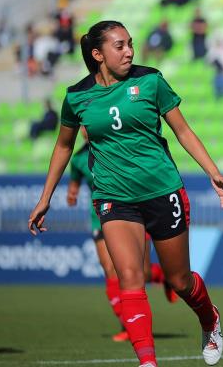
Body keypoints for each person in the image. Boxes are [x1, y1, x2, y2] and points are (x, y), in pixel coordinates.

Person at [28, 20, 223, 367]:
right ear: (98, 54)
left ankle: (209, 319)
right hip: (114, 197)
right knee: (129, 278)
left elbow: (183, 131)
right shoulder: (77, 96)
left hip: (162, 191)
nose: (129, 51)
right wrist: (46, 196)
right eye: (119, 46)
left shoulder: (150, 80)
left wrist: (213, 172)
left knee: (179, 280)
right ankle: (147, 362)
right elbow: (64, 146)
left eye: (130, 44)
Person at [67, 127, 179, 342]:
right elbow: (74, 185)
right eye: (81, 126)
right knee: (111, 270)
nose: (85, 130)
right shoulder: (79, 159)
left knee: (141, 274)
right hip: (100, 217)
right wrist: (72, 194)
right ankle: (128, 325)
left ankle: (161, 276)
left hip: (132, 214)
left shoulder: (118, 147)